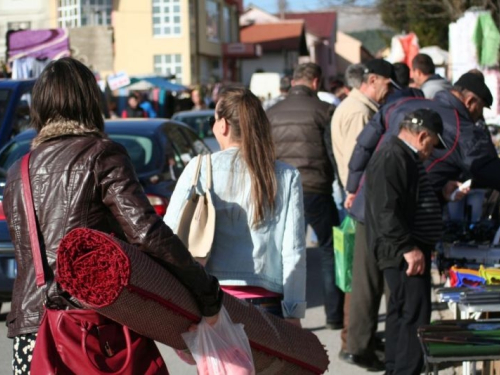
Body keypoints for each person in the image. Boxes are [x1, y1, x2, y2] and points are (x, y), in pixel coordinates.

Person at [3, 57, 223, 373]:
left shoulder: (17, 171)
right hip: (93, 330)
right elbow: (146, 232)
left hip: (31, 332)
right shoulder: (102, 154)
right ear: (91, 102)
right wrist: (204, 291)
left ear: (39, 107)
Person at [165, 86, 306, 325]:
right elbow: (293, 250)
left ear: (223, 126)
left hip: (211, 303)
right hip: (267, 303)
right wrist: (293, 311)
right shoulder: (285, 175)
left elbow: (169, 232)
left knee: (217, 365)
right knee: (261, 364)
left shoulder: (199, 168)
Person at [364, 109, 468, 375]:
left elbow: (411, 200)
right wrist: (407, 248)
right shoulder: (393, 156)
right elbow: (385, 209)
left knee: (404, 313)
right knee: (413, 314)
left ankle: (397, 368)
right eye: (431, 146)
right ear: (422, 136)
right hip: (402, 250)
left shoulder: (402, 156)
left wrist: (443, 194)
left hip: (405, 247)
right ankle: (404, 370)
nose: (430, 153)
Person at [267, 63, 342, 330]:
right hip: (316, 189)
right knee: (329, 251)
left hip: (281, 190)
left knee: (279, 254)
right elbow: (333, 153)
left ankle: (276, 316)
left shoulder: (272, 113)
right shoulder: (325, 111)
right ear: (315, 82)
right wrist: (341, 184)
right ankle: (334, 316)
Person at [333, 58, 397, 371]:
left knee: (359, 278)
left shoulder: (359, 107)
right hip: (358, 201)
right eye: (387, 84)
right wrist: (353, 192)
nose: (389, 92)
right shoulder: (359, 111)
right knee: (360, 280)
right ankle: (355, 343)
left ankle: (359, 341)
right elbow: (359, 160)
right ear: (372, 80)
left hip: (354, 199)